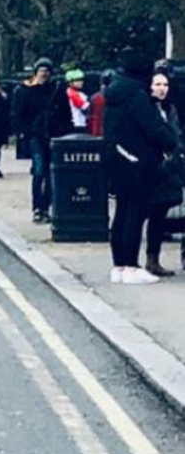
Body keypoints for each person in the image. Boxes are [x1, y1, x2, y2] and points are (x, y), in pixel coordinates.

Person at [100, 59, 174, 285]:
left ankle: (119, 266)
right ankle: (131, 267)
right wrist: (169, 141)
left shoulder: (113, 95)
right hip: (138, 161)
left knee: (121, 212)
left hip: (116, 158)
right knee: (135, 213)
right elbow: (153, 129)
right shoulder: (137, 96)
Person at [146, 70, 183, 276]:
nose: (162, 89)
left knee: (159, 216)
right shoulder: (147, 108)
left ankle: (153, 260)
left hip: (169, 169)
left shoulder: (170, 109)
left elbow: (176, 135)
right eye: (158, 84)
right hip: (151, 169)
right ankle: (129, 263)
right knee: (142, 215)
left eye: (165, 85)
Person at [15, 59, 61, 223]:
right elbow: (19, 114)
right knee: (39, 171)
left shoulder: (55, 89)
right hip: (35, 136)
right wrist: (24, 133)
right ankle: (37, 207)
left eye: (47, 71)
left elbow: (63, 112)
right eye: (41, 71)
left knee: (50, 174)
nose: (44, 74)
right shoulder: (26, 90)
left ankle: (45, 207)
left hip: (53, 136)